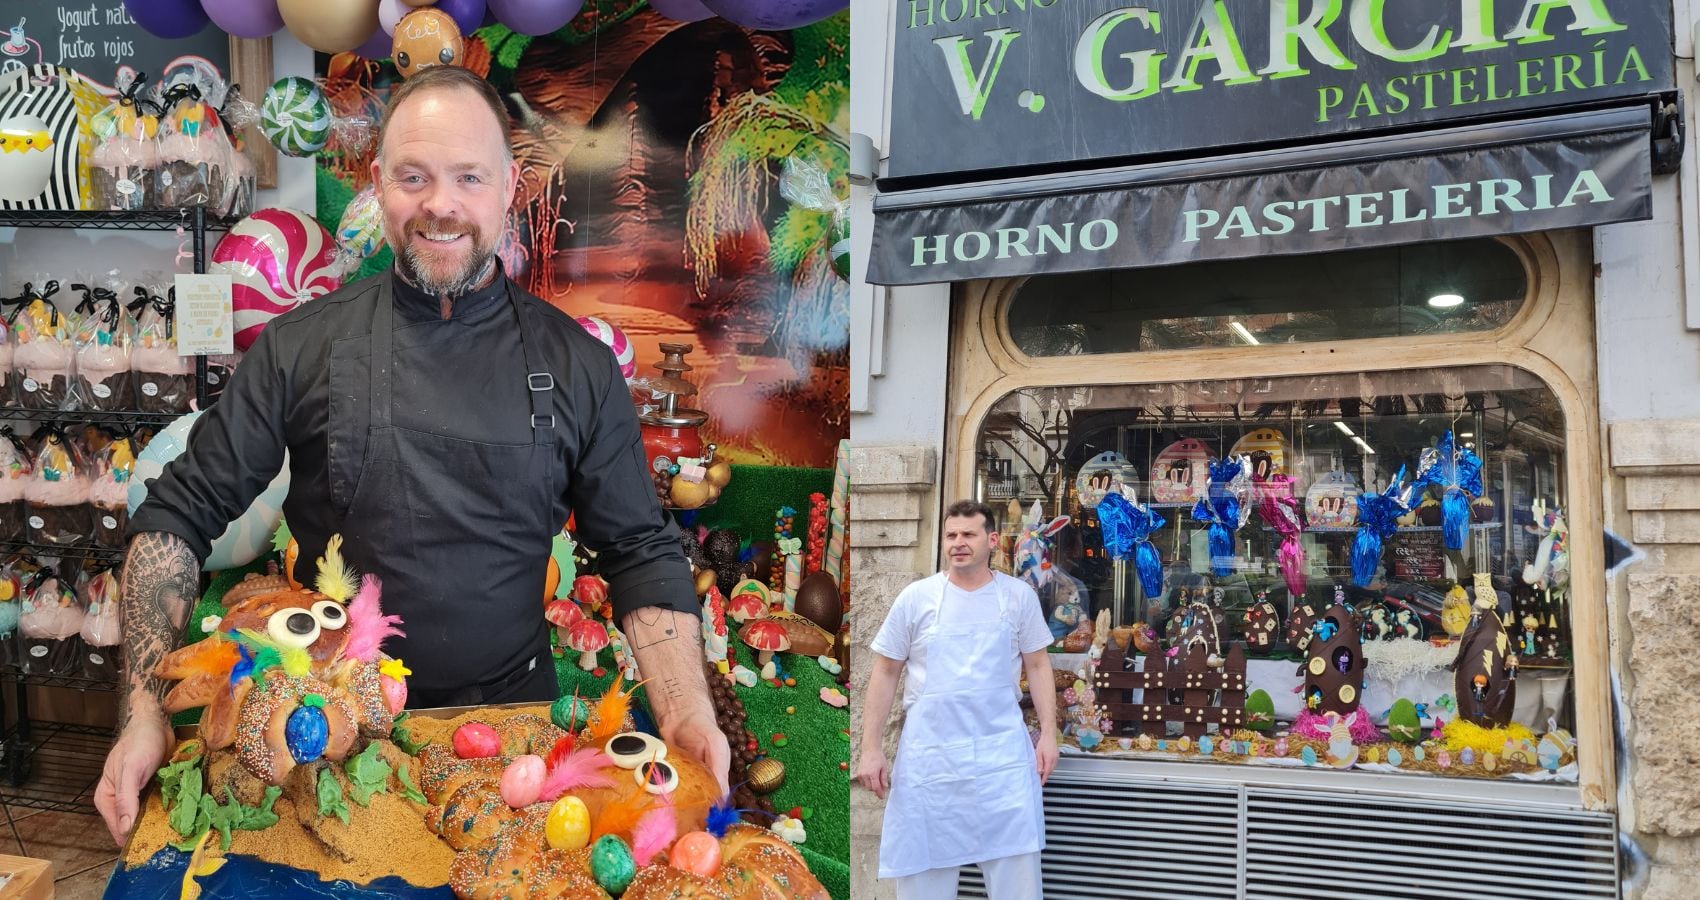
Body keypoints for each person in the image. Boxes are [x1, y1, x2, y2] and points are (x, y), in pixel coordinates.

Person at [94, 65, 729, 845]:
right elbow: (176, 518)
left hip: (515, 739)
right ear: (379, 185)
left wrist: (688, 712)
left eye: (468, 176)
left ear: (507, 188)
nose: (440, 204)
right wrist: (143, 714)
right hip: (334, 740)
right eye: (414, 176)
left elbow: (639, 548)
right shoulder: (303, 346)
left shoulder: (577, 368)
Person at [855, 499, 1059, 899]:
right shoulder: (917, 599)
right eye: (951, 535)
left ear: (992, 540)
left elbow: (1037, 665)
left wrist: (1049, 734)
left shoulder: (1018, 598)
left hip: (1001, 764)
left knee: (1017, 885)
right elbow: (885, 671)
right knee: (923, 884)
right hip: (931, 765)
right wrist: (870, 748)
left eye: (968, 534)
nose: (958, 543)